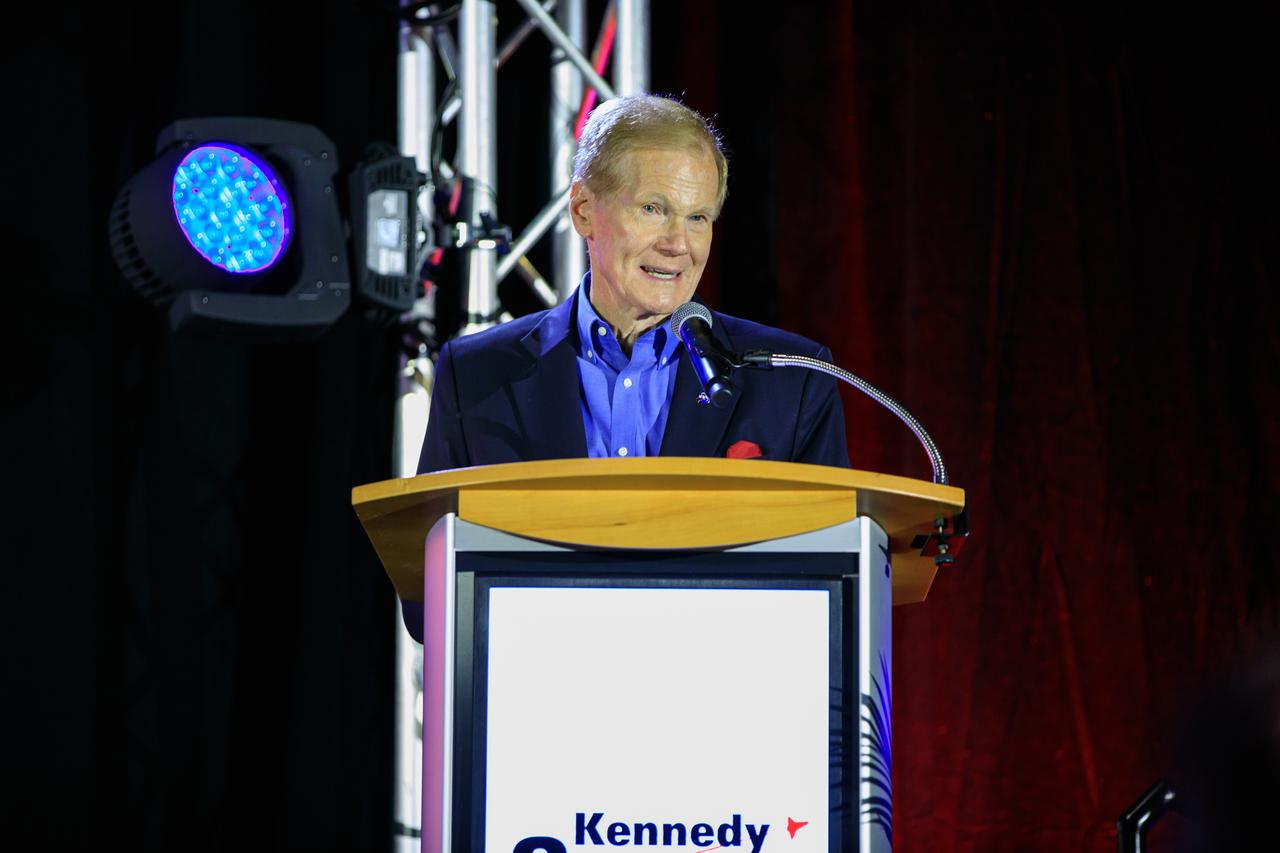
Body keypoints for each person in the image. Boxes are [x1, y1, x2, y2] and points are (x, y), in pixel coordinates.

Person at [403, 95, 849, 641]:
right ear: (583, 210)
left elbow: (833, 593)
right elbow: (428, 602)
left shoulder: (790, 379)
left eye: (698, 217)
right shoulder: (477, 375)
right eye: (653, 208)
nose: (678, 244)